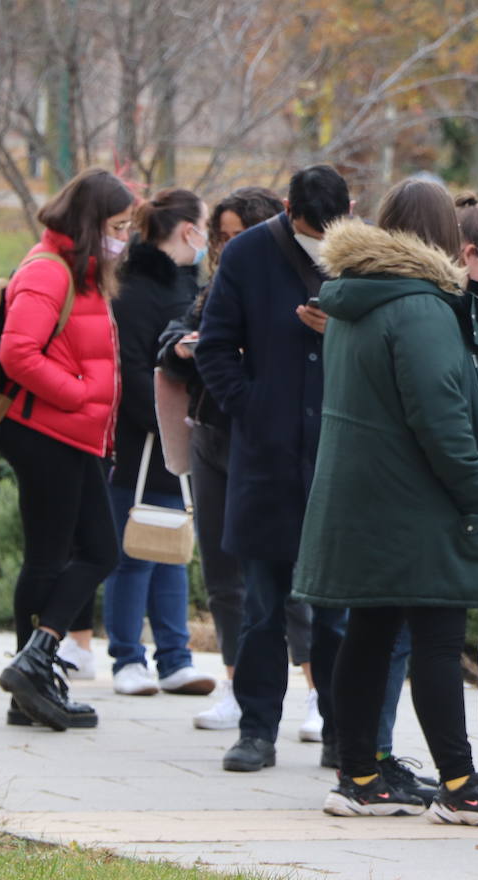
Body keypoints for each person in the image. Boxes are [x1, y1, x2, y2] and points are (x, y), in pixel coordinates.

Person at [294, 178, 478, 827]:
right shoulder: (422, 307)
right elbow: (442, 419)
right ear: (444, 240)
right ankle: (459, 784)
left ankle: (360, 775)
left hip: (368, 499)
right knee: (435, 637)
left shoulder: (357, 299)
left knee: (370, 633)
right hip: (416, 503)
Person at [195, 165, 350, 772]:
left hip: (340, 455)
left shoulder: (361, 253)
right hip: (266, 456)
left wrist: (341, 329)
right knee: (262, 605)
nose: (320, 247)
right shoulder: (247, 254)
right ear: (287, 210)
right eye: (311, 233)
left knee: (337, 612)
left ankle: (342, 729)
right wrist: (252, 408)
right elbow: (213, 346)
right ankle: (257, 729)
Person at [0, 167, 135, 730]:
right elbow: (17, 353)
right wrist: (77, 396)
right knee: (79, 554)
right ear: (91, 221)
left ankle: (30, 674)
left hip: (73, 435)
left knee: (72, 554)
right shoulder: (49, 271)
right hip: (50, 434)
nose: (123, 237)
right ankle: (32, 668)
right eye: (118, 225)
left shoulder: (83, 273)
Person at [155, 187, 284, 727]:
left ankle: (314, 692)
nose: (226, 248)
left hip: (270, 445)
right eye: (221, 237)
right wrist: (185, 346)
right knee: (223, 573)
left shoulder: (292, 284)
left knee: (283, 578)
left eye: (237, 237)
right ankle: (234, 682)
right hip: (212, 437)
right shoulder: (214, 290)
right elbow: (168, 338)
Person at [97, 188, 216, 697]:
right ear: (188, 229)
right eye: (205, 226)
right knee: (134, 549)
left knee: (171, 546)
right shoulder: (136, 289)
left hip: (175, 437)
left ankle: (175, 656)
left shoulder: (191, 288)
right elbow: (129, 369)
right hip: (140, 440)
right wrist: (167, 421)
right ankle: (128, 657)